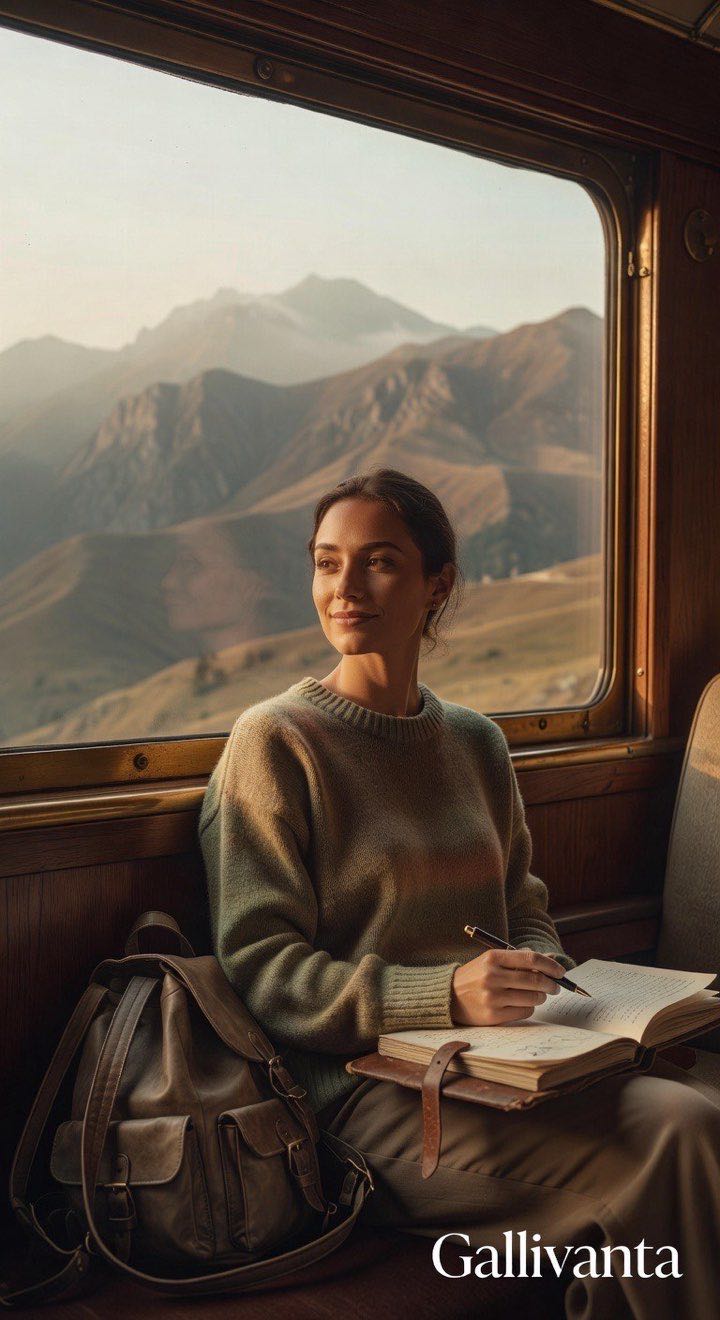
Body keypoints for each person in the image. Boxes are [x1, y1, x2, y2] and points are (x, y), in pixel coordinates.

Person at [199, 466, 720, 1320]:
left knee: (689, 1106)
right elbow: (263, 971)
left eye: (379, 562)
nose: (346, 587)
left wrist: (541, 970)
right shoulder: (275, 743)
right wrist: (442, 992)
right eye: (327, 563)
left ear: (437, 584)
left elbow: (527, 908)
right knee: (681, 1137)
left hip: (515, 1065)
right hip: (364, 1096)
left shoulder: (476, 742)